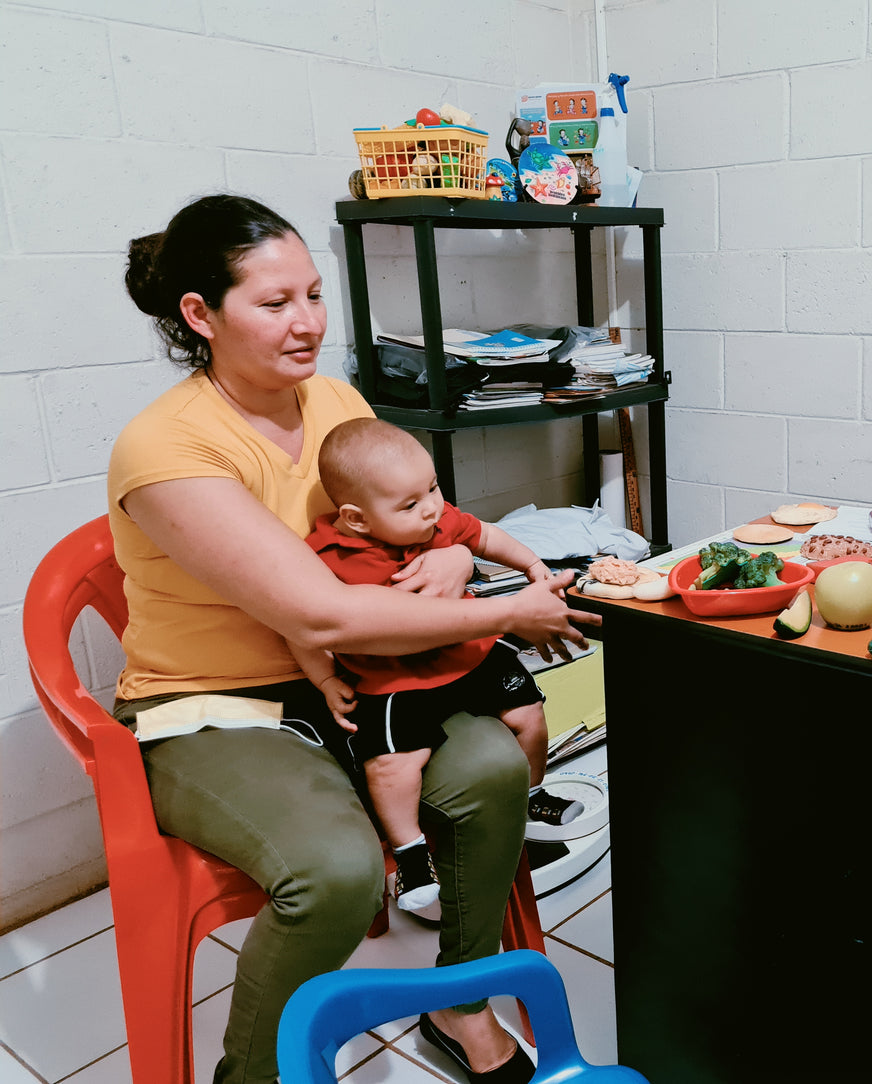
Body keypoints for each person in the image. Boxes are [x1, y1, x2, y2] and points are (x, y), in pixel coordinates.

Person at [109, 193, 595, 1084]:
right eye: (274, 303)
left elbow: (404, 516)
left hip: (356, 677)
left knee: (491, 768)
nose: (307, 325)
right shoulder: (167, 448)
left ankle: (462, 1003)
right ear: (199, 315)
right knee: (331, 870)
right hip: (217, 704)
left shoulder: (331, 398)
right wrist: (503, 609)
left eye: (315, 295)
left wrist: (449, 560)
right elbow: (320, 613)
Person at [288, 417, 552, 914]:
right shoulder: (325, 557)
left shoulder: (436, 519)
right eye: (411, 503)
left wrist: (532, 565)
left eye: (432, 487)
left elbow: (487, 536)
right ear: (358, 518)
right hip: (393, 679)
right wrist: (323, 677)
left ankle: (534, 794)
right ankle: (410, 853)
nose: (432, 506)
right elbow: (302, 627)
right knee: (392, 764)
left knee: (529, 712)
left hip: (466, 649)